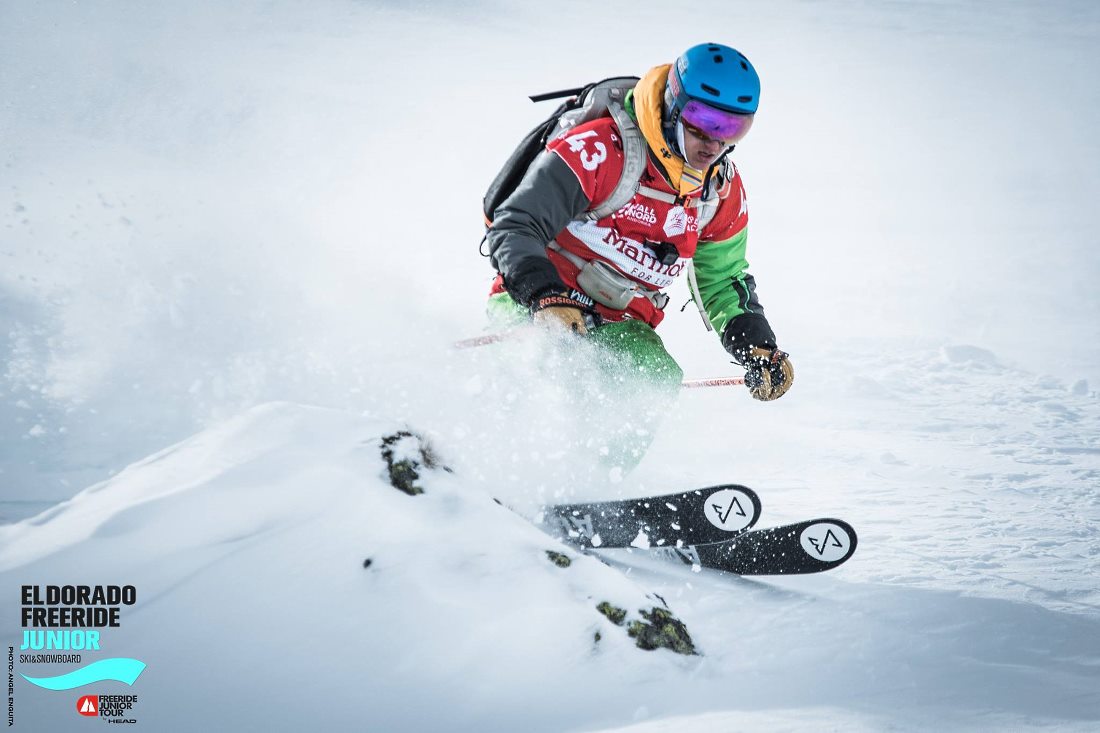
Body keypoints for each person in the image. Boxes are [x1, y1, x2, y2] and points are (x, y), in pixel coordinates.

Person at [483, 43, 794, 468]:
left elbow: (723, 279)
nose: (714, 142)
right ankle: (492, 467)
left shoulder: (718, 192)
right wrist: (546, 298)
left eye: (733, 128)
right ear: (673, 106)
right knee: (549, 370)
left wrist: (757, 345)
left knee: (654, 378)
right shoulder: (601, 150)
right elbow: (515, 224)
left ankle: (593, 491)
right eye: (703, 122)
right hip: (539, 305)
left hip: (621, 324)